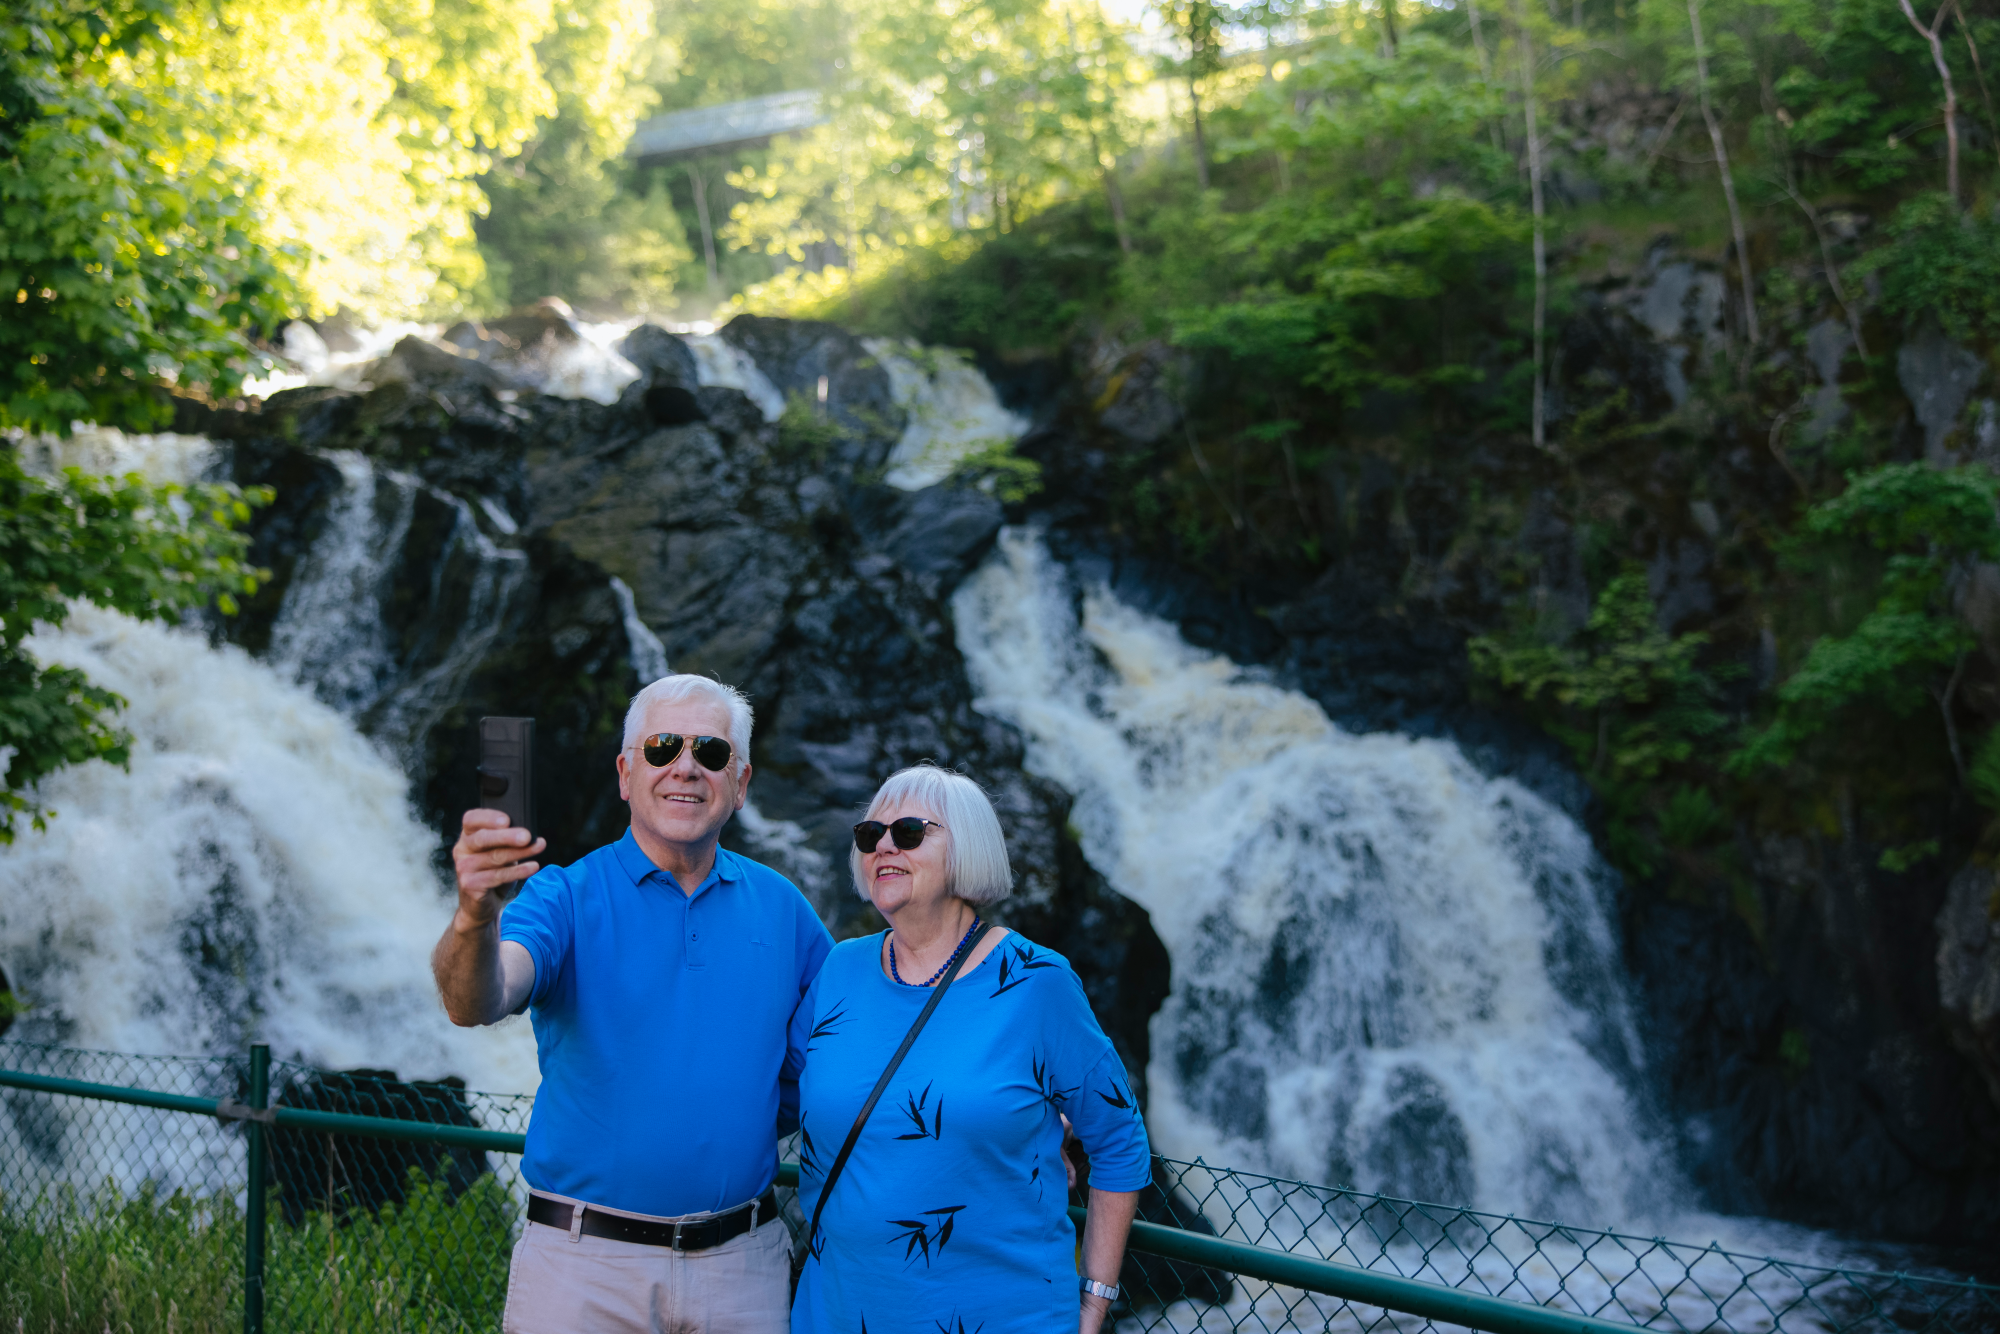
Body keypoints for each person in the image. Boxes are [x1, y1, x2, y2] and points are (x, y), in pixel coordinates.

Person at [433, 674, 832, 1334]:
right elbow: (477, 998)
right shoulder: (564, 896)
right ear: (625, 773)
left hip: (743, 1268)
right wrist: (475, 916)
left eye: (710, 752)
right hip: (584, 1271)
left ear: (741, 781)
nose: (686, 767)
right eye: (662, 747)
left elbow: (851, 1041)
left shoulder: (785, 909)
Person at [788, 763, 1149, 1334]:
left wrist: (1095, 1300)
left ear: (968, 848)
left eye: (908, 832)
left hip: (1002, 1318)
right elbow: (784, 1093)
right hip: (836, 1314)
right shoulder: (839, 970)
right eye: (869, 835)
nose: (884, 844)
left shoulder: (1037, 982)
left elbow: (1120, 1140)